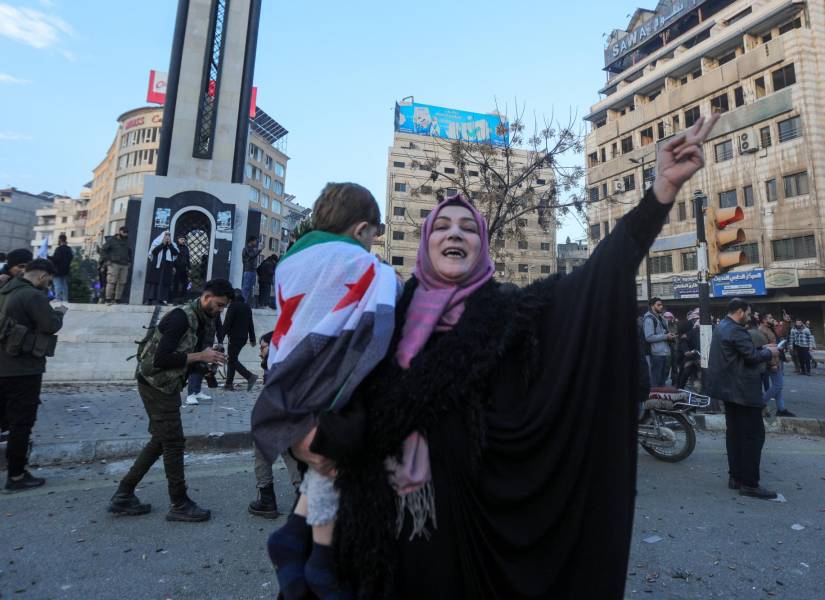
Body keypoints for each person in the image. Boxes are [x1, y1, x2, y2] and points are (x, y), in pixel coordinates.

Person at [286, 115, 722, 599]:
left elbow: (596, 279)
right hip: (377, 518)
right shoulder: (385, 308)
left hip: (475, 522)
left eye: (469, 227)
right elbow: (314, 372)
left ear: (482, 247)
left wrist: (658, 192)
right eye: (443, 226)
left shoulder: (514, 313)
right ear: (426, 244)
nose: (455, 234)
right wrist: (301, 433)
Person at [253, 181, 393, 600]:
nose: (373, 244)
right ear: (362, 229)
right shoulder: (362, 267)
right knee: (335, 459)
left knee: (320, 466)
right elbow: (376, 324)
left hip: (288, 378)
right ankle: (321, 559)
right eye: (374, 235)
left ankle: (296, 537)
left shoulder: (291, 261)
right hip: (327, 380)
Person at [107, 279, 233, 521]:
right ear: (206, 297)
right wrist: (200, 355)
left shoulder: (205, 319)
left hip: (168, 384)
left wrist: (204, 365)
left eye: (223, 307)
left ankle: (124, 494)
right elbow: (161, 359)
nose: (220, 310)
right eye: (218, 305)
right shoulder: (180, 317)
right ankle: (179, 502)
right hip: (155, 384)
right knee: (173, 442)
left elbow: (192, 356)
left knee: (161, 440)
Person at [0, 259, 66, 491]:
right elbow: (49, 325)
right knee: (21, 423)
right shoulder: (33, 296)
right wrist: (59, 313)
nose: (48, 282)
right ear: (41, 276)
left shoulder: (5, 290)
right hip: (23, 369)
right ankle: (16, 476)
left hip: (3, 366)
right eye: (48, 279)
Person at [707, 298, 778, 500]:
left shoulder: (722, 326)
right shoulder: (736, 330)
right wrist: (769, 351)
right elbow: (751, 357)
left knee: (735, 434)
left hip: (729, 391)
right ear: (739, 311)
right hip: (743, 391)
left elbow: (739, 354)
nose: (750, 316)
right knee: (754, 436)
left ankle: (736, 477)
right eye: (748, 313)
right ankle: (749, 483)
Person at [247, 331, 303, 519]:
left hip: (282, 415)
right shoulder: (281, 362)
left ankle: (266, 499)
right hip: (290, 416)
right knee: (289, 451)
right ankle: (304, 493)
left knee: (262, 448)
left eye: (262, 347)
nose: (260, 352)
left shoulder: (276, 366)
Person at [220, 289, 257, 391]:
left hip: (234, 337)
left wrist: (220, 338)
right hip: (243, 338)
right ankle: (228, 384)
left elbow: (227, 323)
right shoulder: (247, 307)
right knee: (233, 359)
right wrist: (252, 338)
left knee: (231, 360)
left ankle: (250, 376)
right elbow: (251, 324)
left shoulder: (233, 306)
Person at [758, 312, 793, 417]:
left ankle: (781, 409)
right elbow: (765, 349)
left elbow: (782, 334)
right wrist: (772, 364)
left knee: (778, 386)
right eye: (770, 317)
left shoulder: (770, 328)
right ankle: (761, 404)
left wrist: (786, 322)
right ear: (764, 320)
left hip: (777, 359)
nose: (772, 318)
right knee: (778, 385)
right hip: (772, 362)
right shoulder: (762, 330)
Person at [644, 297, 674, 387]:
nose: (661, 307)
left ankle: (661, 400)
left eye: (661, 305)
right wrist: (665, 336)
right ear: (652, 306)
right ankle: (654, 400)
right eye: (658, 305)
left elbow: (662, 333)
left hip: (664, 354)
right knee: (656, 382)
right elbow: (648, 337)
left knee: (662, 382)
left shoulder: (659, 318)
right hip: (656, 355)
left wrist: (669, 336)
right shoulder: (649, 319)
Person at [100, 226, 133, 304]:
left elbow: (130, 252)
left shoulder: (127, 241)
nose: (125, 234)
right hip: (114, 264)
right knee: (111, 281)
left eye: (127, 232)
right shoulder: (112, 240)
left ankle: (117, 299)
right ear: (120, 231)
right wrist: (107, 260)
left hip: (124, 264)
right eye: (124, 232)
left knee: (122, 283)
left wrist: (129, 262)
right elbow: (103, 250)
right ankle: (108, 299)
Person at [146, 232, 179, 305]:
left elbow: (175, 253)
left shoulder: (172, 244)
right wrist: (162, 244)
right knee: (155, 282)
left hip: (167, 266)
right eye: (166, 235)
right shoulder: (157, 242)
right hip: (157, 266)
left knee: (165, 283)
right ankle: (150, 299)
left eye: (169, 235)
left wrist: (170, 244)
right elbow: (154, 252)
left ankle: (162, 299)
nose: (167, 237)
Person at [49, 234, 73, 302]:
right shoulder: (69, 249)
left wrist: (48, 257)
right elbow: (71, 258)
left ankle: (58, 298)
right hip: (66, 269)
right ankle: (65, 299)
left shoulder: (59, 249)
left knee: (57, 284)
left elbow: (56, 259)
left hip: (58, 269)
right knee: (64, 284)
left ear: (60, 240)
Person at [242, 236, 261, 304]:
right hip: (248, 270)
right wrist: (259, 250)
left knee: (249, 288)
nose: (256, 243)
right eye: (255, 241)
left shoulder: (252, 249)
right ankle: (243, 302)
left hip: (252, 270)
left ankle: (245, 302)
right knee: (246, 287)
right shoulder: (247, 248)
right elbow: (251, 255)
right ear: (251, 241)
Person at [172, 234, 191, 302]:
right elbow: (173, 257)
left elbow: (187, 258)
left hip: (184, 268)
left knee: (185, 283)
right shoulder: (175, 247)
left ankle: (183, 298)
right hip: (176, 268)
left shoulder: (186, 248)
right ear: (178, 240)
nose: (183, 241)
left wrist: (189, 268)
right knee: (176, 283)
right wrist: (173, 266)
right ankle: (174, 298)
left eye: (184, 239)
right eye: (181, 239)